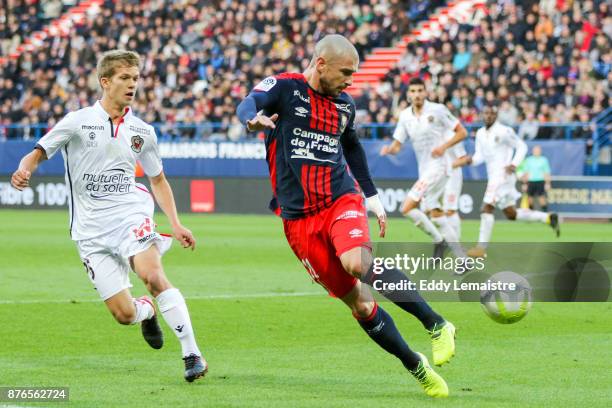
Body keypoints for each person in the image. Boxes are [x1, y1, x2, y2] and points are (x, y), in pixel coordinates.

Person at [237, 34, 454, 398]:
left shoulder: (345, 106)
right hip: (297, 221)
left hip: (340, 199)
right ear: (321, 63)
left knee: (357, 262)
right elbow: (250, 102)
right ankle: (415, 365)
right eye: (346, 72)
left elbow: (351, 146)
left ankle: (437, 324)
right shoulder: (285, 88)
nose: (351, 81)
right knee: (361, 304)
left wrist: (371, 196)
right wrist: (252, 120)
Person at [10, 50, 207, 382]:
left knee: (153, 275)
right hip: (90, 231)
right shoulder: (77, 121)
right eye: (125, 78)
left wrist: (175, 222)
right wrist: (23, 169)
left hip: (131, 214)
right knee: (123, 314)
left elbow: (157, 179)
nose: (132, 85)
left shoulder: (142, 131)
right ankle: (146, 311)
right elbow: (39, 152)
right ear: (105, 81)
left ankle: (192, 354)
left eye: (135, 78)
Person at [453, 105, 560, 258]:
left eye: (492, 113)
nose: (489, 115)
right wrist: (470, 160)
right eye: (486, 113)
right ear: (482, 115)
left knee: (486, 208)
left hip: (503, 175)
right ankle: (547, 218)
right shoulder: (481, 134)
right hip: (495, 176)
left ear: (496, 115)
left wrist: (514, 163)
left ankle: (481, 248)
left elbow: (521, 146)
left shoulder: (504, 131)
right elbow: (479, 157)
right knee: (511, 214)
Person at [380, 78, 468, 261]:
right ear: (408, 94)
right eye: (413, 91)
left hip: (439, 166)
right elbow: (397, 146)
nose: (417, 94)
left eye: (420, 90)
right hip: (425, 169)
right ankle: (463, 259)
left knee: (407, 207)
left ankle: (438, 240)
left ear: (425, 92)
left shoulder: (438, 110)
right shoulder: (405, 116)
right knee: (436, 214)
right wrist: (389, 149)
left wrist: (444, 147)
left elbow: (462, 132)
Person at [443, 129, 469, 240]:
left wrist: (446, 166)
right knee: (439, 211)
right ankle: (447, 242)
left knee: (450, 210)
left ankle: (457, 248)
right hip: (439, 177)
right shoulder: (434, 133)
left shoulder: (453, 135)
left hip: (453, 177)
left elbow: (463, 159)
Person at [521, 145, 552, 211]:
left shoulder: (544, 160)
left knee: (541, 198)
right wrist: (524, 183)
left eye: (538, 151)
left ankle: (545, 214)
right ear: (533, 151)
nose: (536, 152)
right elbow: (526, 173)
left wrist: (547, 183)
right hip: (531, 181)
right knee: (529, 199)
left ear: (540, 151)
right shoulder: (529, 160)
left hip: (540, 181)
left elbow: (546, 173)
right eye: (535, 150)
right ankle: (531, 214)